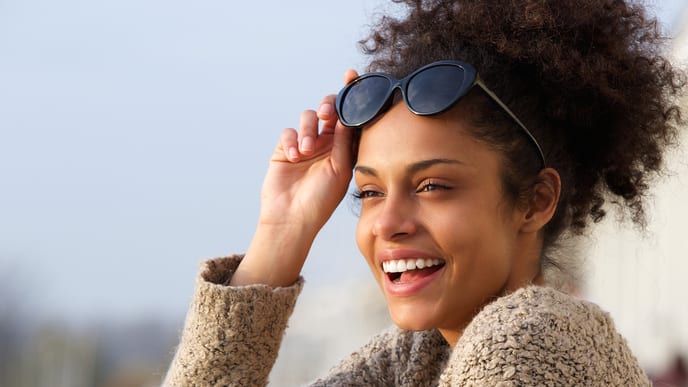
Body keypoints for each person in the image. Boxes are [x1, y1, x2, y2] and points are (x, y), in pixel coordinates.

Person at [164, 0, 685, 385]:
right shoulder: (415, 359)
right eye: (367, 192)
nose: (388, 223)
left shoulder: (536, 339)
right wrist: (283, 230)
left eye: (433, 185)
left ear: (535, 200)